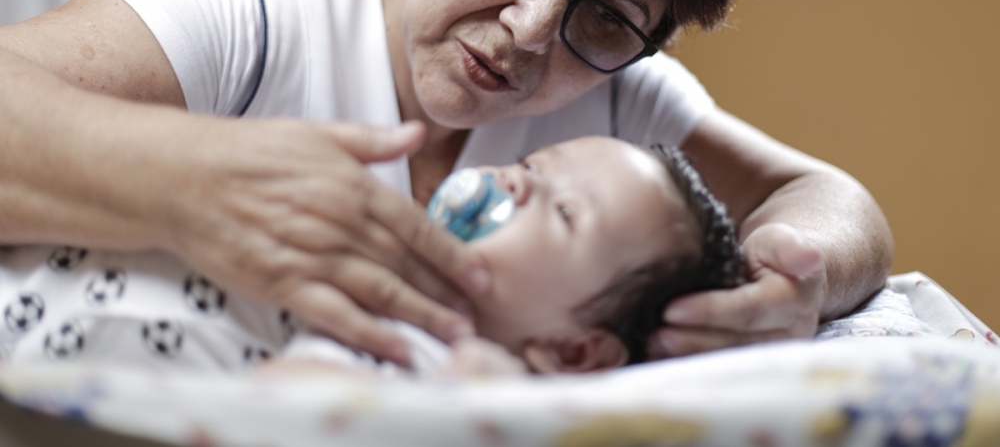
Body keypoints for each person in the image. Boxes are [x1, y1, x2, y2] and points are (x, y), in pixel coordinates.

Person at [0, 0, 893, 368]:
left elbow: (828, 196)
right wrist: (186, 182)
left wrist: (799, 277)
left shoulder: (608, 82)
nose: (534, 31)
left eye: (608, 15)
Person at [0, 137, 744, 376]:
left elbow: (303, 409)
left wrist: (483, 393)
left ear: (576, 350)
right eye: (534, 162)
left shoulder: (428, 355)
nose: (517, 178)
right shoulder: (363, 236)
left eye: (562, 210)